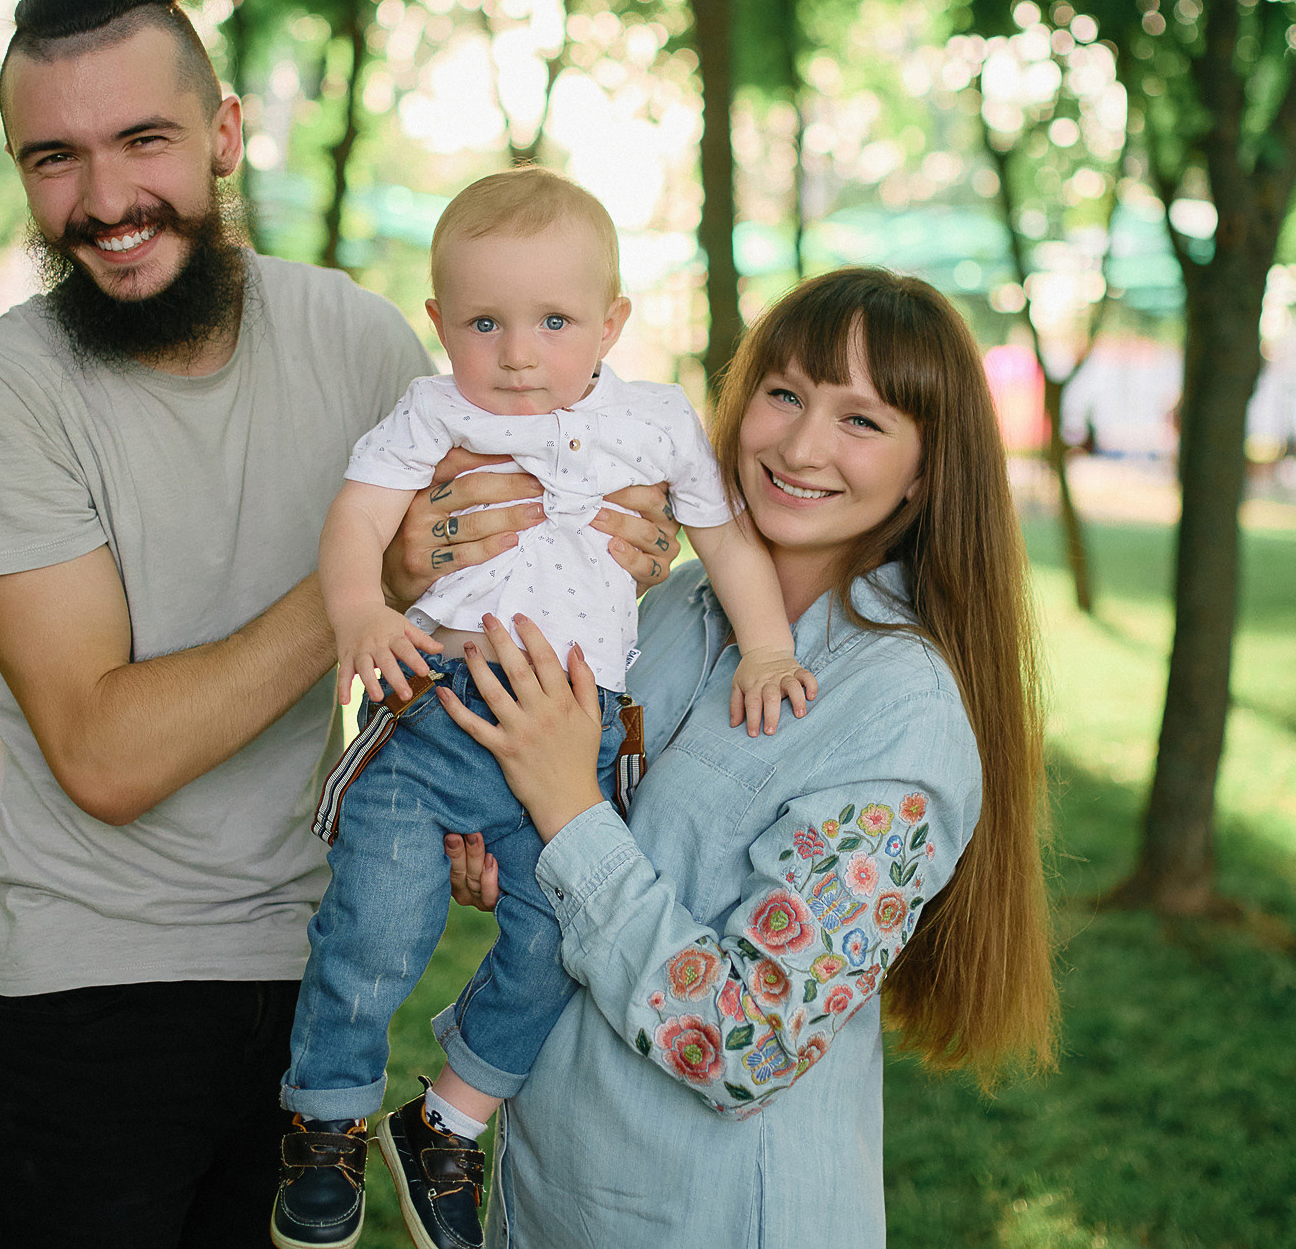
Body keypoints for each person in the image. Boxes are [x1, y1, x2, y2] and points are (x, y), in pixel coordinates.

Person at [0, 0, 682, 1249]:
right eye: (56, 159)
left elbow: (485, 578)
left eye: (142, 140)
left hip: (315, 951)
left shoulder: (361, 340)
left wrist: (614, 539)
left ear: (223, 133)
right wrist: (370, 582)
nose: (106, 198)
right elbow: (102, 754)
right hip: (93, 984)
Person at [439, 266, 1058, 1247]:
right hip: (542, 1198)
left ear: (927, 469)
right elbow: (600, 849)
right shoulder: (672, 607)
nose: (802, 445)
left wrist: (567, 814)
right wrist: (512, 841)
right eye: (786, 392)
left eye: (863, 420)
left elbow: (747, 1037)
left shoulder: (902, 710)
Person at [274, 168, 816, 1249]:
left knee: (554, 944)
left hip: (577, 727)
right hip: (441, 713)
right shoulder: (432, 409)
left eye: (555, 321)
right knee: (374, 925)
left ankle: (450, 1118)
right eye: (485, 321)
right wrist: (357, 614)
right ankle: (324, 1118)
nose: (519, 352)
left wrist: (766, 644)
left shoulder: (657, 423)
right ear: (440, 323)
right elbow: (355, 520)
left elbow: (725, 540)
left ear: (613, 321)